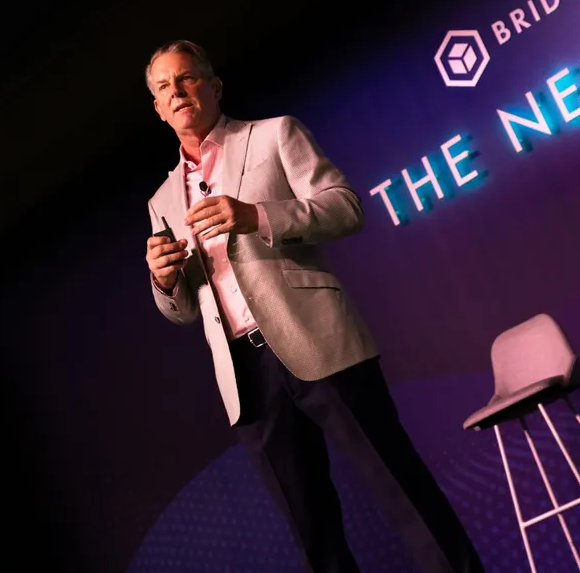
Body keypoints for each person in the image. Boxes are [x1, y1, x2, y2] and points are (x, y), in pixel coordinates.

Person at [143, 40, 484, 573]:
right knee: (313, 534)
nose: (177, 92)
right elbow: (185, 310)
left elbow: (345, 207)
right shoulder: (162, 200)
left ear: (214, 86)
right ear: (159, 109)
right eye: (165, 87)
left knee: (400, 487)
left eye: (187, 78)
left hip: (317, 340)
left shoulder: (274, 134)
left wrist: (256, 216)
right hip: (246, 375)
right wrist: (164, 281)